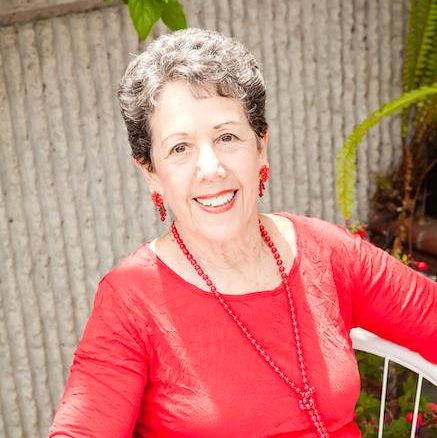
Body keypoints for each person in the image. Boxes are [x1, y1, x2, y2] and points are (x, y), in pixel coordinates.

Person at [48, 28, 437, 438]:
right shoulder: (131, 299)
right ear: (151, 172)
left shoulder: (326, 252)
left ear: (260, 146)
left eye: (227, 137)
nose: (211, 168)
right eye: (180, 148)